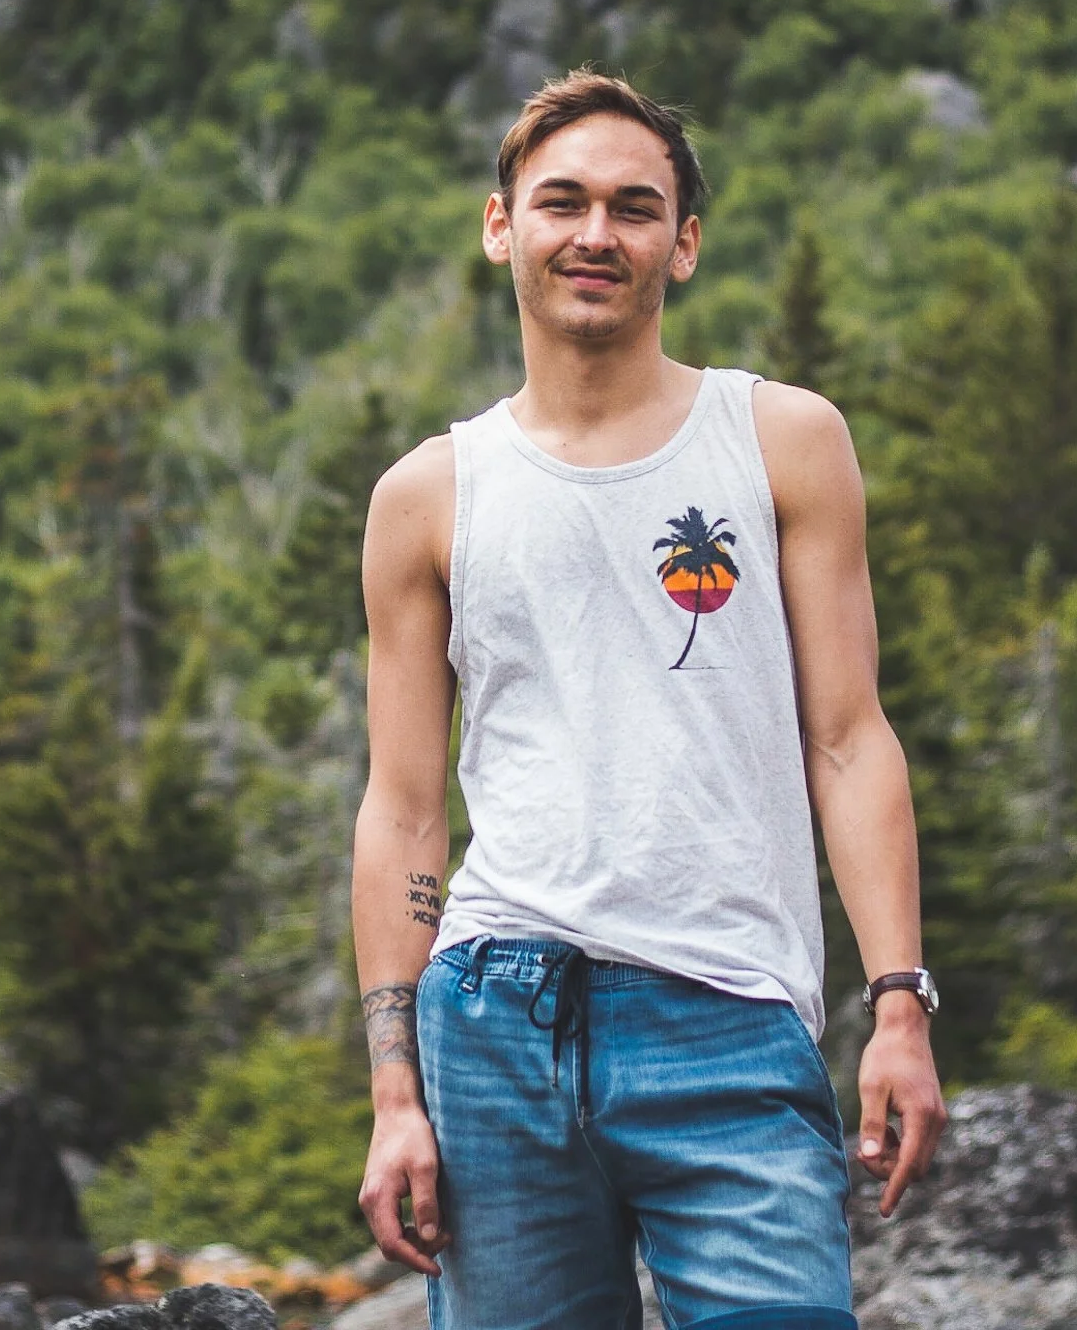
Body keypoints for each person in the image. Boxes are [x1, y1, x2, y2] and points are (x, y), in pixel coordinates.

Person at [352, 70, 946, 1330]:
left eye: (633, 207)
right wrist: (395, 1090)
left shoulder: (782, 439)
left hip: (729, 1014)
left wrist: (898, 1000)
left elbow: (849, 739)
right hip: (494, 1023)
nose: (595, 233)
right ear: (501, 225)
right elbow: (402, 809)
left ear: (682, 243)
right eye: (561, 201)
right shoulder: (427, 495)